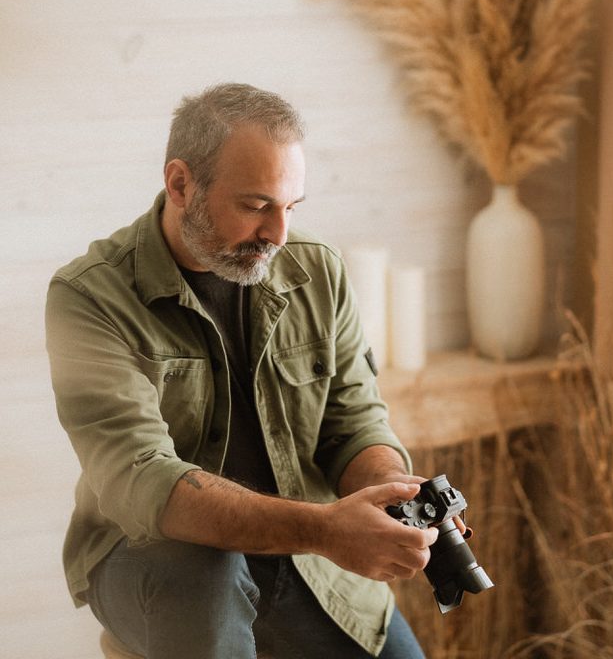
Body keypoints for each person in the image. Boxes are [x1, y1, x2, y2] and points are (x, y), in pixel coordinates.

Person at [46, 83, 442, 659]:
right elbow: (144, 478)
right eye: (256, 206)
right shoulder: (89, 297)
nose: (278, 235)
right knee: (205, 576)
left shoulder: (317, 270)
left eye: (290, 207)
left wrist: (388, 493)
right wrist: (326, 530)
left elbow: (354, 422)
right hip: (153, 561)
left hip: (309, 562)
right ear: (180, 184)